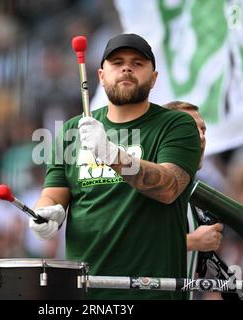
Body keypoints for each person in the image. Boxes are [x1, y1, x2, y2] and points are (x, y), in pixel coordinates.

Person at [29, 33, 201, 299]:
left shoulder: (176, 125)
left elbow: (169, 187)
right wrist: (46, 213)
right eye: (117, 62)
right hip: (85, 292)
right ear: (100, 75)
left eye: (138, 63)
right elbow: (54, 194)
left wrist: (111, 153)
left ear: (154, 78)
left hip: (152, 293)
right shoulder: (72, 131)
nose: (127, 68)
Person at [163, 101, 224, 296]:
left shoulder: (189, 191)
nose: (201, 136)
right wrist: (191, 242)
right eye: (190, 129)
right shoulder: (149, 186)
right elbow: (127, 246)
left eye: (203, 130)